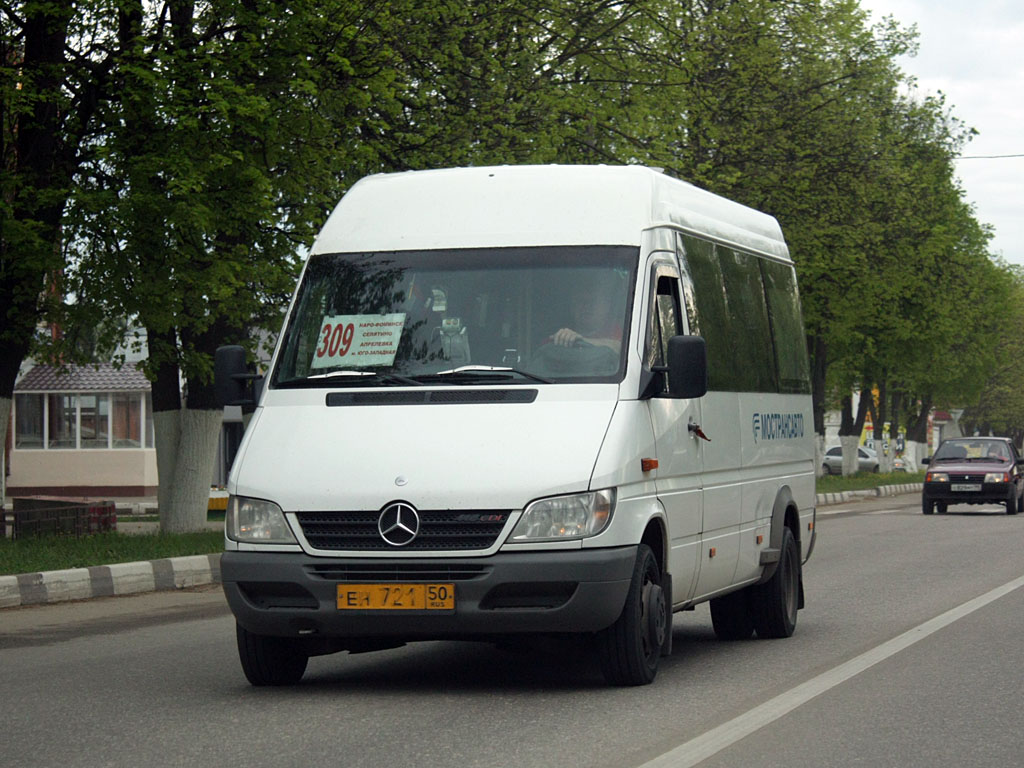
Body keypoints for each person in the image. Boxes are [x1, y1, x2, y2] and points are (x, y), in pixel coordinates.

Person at [550, 274, 622, 352]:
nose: (587, 306)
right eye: (581, 301)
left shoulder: (616, 331)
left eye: (593, 301)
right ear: (572, 306)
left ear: (607, 305)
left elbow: (622, 349)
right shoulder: (560, 338)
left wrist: (580, 341)